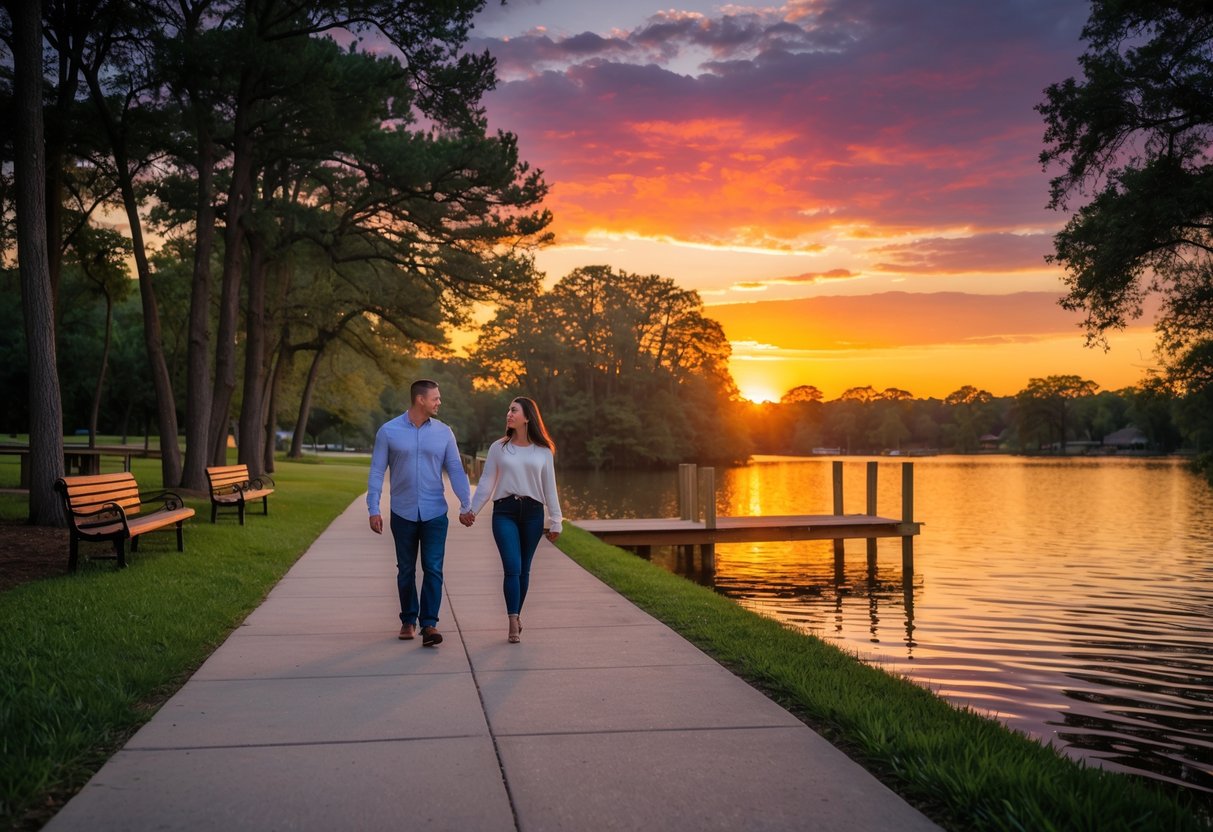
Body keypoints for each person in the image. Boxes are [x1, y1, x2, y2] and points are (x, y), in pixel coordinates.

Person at [368, 379, 475, 647]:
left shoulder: (444, 432)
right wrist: (373, 507)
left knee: (433, 568)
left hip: (435, 513)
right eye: (435, 398)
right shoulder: (388, 431)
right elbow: (377, 471)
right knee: (405, 569)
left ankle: (429, 625)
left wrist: (466, 504)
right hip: (402, 512)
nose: (439, 402)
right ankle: (408, 619)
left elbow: (455, 469)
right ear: (420, 399)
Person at [466, 396, 562, 643]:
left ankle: (517, 614)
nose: (509, 414)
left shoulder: (543, 450)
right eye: (508, 410)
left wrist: (556, 520)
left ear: (527, 417)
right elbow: (487, 482)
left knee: (524, 570)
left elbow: (550, 487)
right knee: (512, 567)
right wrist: (472, 510)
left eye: (514, 410)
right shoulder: (499, 447)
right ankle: (512, 621)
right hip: (504, 511)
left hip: (532, 513)